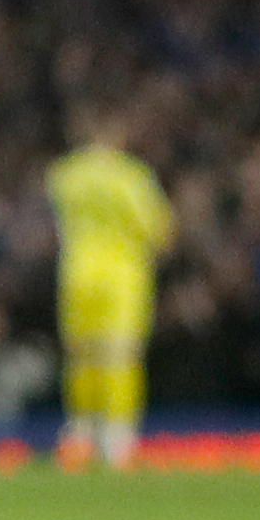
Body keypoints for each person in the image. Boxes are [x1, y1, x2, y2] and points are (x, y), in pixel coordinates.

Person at [49, 107, 173, 468]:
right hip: (122, 276)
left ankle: (80, 433)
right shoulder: (132, 177)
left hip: (78, 273)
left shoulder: (65, 174)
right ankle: (119, 440)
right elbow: (159, 232)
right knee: (120, 354)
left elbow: (58, 224)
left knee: (81, 354)